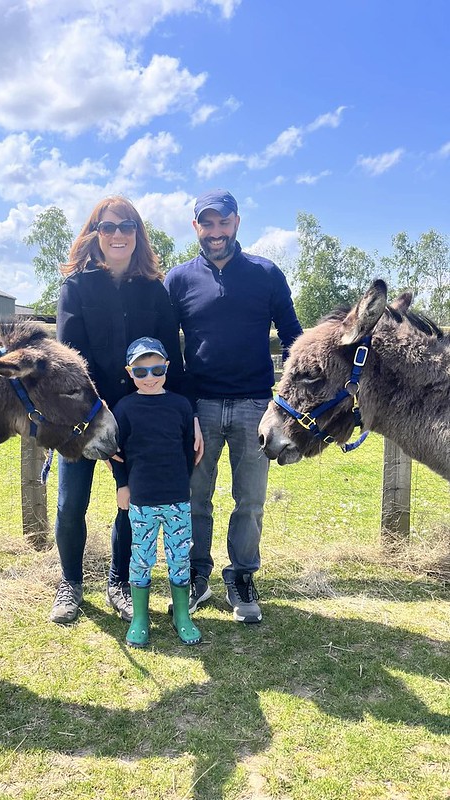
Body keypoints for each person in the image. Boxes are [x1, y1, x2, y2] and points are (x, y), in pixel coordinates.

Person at [164, 189, 302, 624]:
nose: (216, 231)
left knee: (251, 502)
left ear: (237, 222)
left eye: (223, 222)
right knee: (194, 498)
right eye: (207, 223)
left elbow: (295, 339)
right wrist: (185, 409)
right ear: (196, 227)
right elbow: (167, 348)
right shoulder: (178, 280)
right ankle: (197, 575)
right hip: (200, 406)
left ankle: (241, 576)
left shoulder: (266, 274)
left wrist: (287, 400)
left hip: (256, 406)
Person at [50, 196, 191, 625]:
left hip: (139, 419)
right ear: (95, 234)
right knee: (71, 504)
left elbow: (172, 359)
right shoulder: (75, 288)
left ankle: (119, 581)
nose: (117, 235)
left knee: (131, 503)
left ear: (137, 234)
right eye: (108, 227)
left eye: (126, 226)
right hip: (84, 418)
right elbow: (69, 360)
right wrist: (96, 412)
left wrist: (187, 415)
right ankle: (70, 583)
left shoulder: (154, 290)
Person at [111, 337, 201, 648]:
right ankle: (140, 617)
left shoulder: (180, 405)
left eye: (157, 370)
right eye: (140, 372)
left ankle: (181, 615)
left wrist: (183, 482)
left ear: (167, 367)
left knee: (180, 557)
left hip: (177, 499)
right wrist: (122, 484)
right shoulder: (124, 408)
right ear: (130, 372)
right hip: (141, 500)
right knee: (141, 559)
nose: (149, 378)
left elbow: (189, 450)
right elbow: (117, 453)